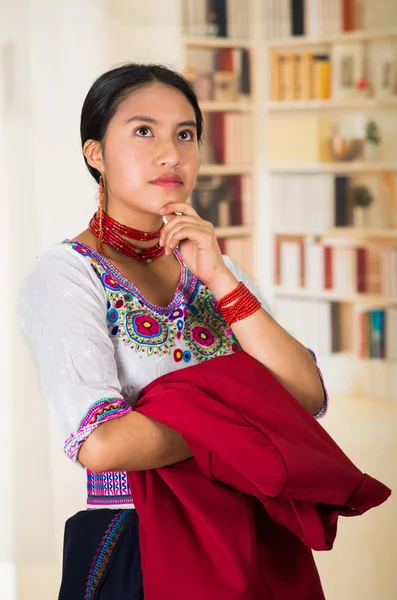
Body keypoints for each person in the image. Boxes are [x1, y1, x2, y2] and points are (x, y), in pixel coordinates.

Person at [19, 63, 328, 599]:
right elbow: (102, 442)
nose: (171, 154)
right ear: (95, 154)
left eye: (185, 134)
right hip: (141, 541)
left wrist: (218, 277)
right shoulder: (68, 273)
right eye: (144, 131)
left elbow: (307, 395)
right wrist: (250, 421)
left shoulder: (214, 268)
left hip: (252, 535)